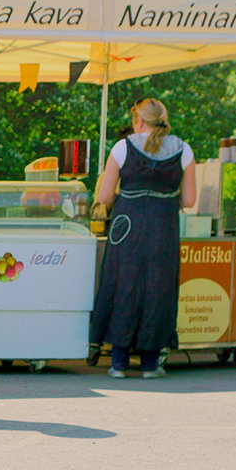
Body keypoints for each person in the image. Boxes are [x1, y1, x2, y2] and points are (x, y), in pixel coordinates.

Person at [90, 98, 197, 379]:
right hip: (163, 228)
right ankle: (150, 364)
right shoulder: (183, 150)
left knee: (122, 284)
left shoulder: (122, 147)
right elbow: (189, 199)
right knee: (158, 289)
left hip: (126, 226)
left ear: (138, 120)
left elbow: (103, 195)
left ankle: (119, 363)